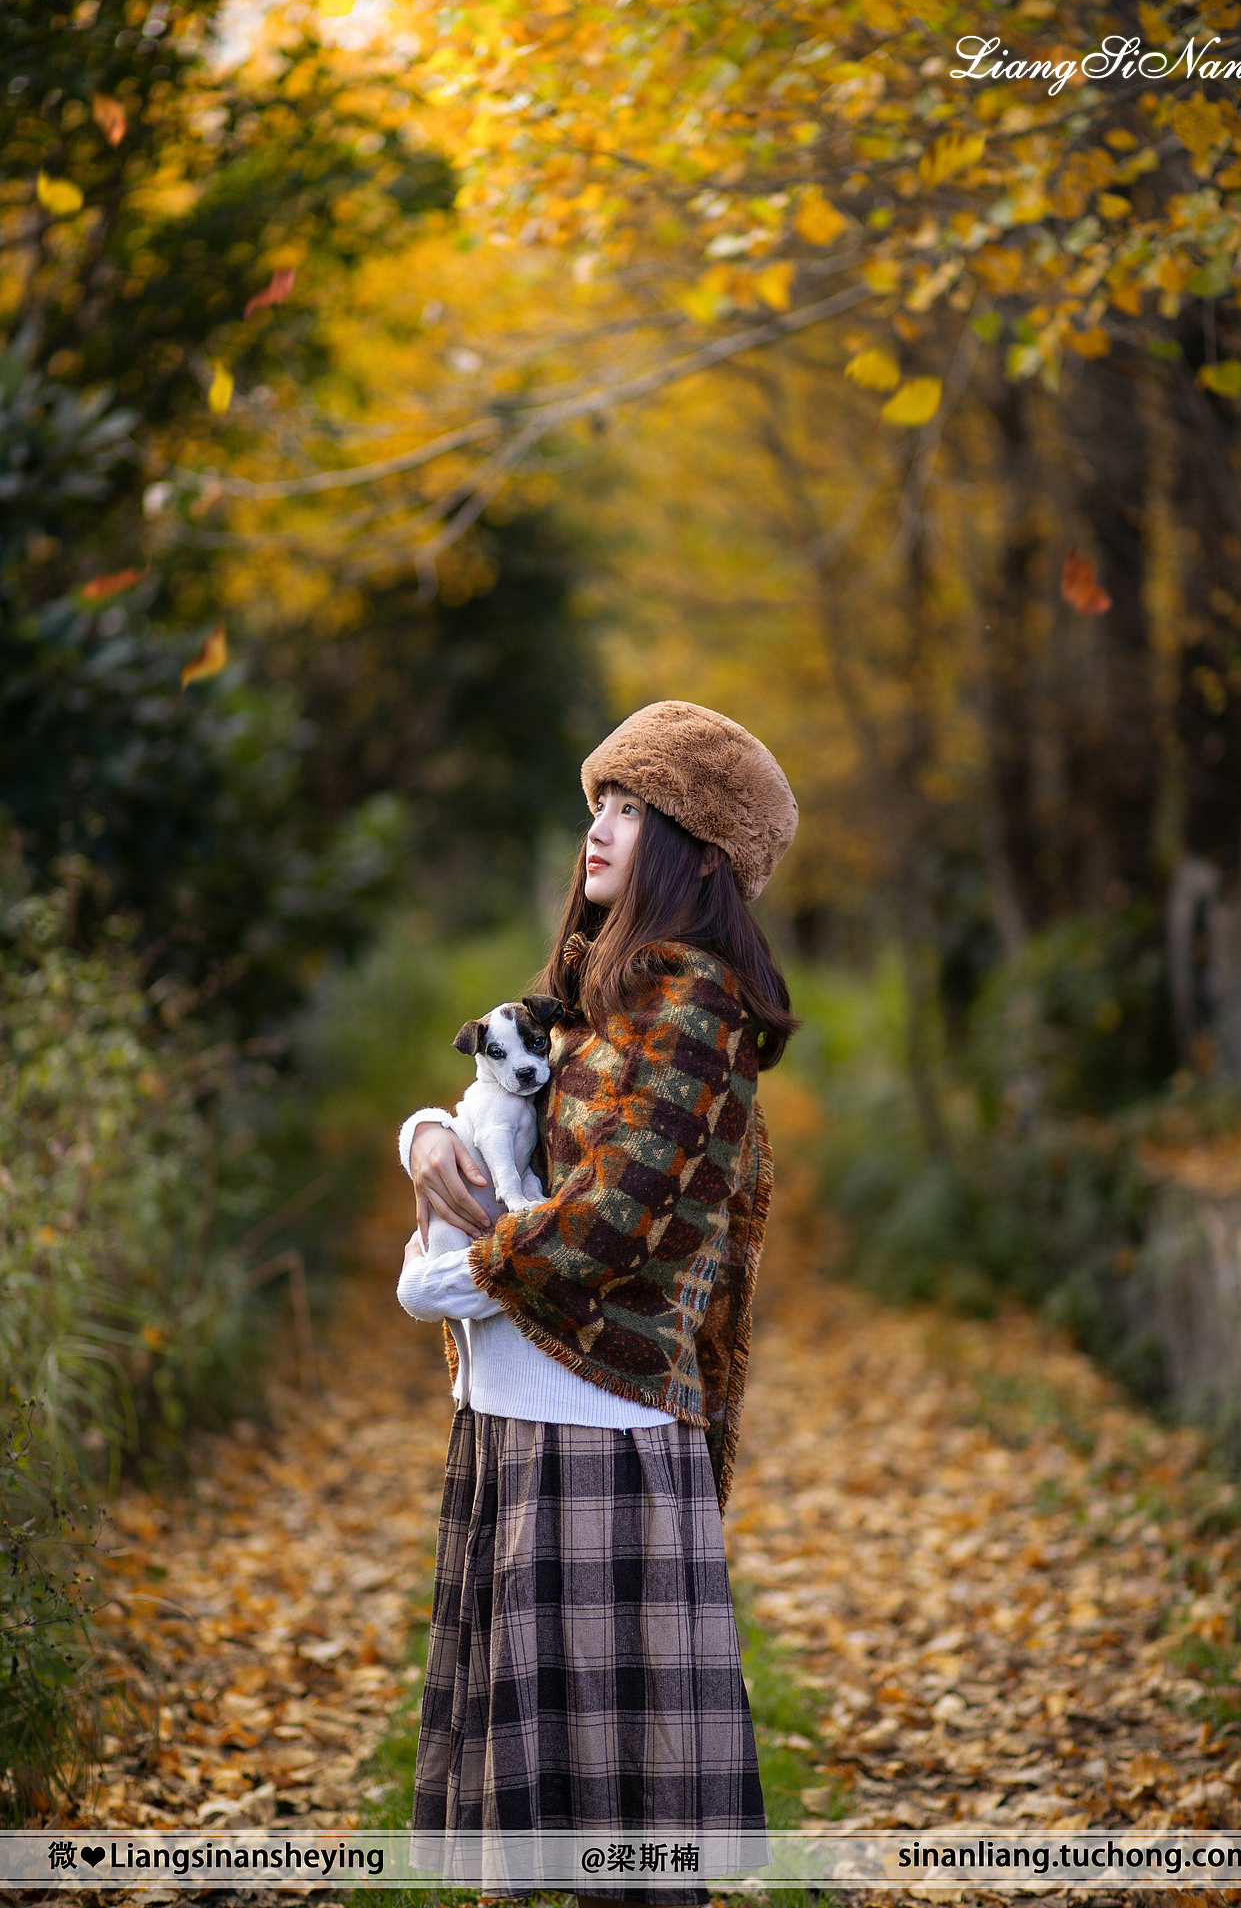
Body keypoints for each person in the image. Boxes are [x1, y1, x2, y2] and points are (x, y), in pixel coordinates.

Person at [396, 700, 799, 1906]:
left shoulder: (694, 1004)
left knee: (626, 1841)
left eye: (633, 809)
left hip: (604, 1424)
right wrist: (421, 1133)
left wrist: (457, 1271)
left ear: (692, 846)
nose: (599, 828)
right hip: (524, 1411)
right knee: (545, 1824)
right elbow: (496, 1107)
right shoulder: (597, 989)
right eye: (599, 805)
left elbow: (616, 1214)